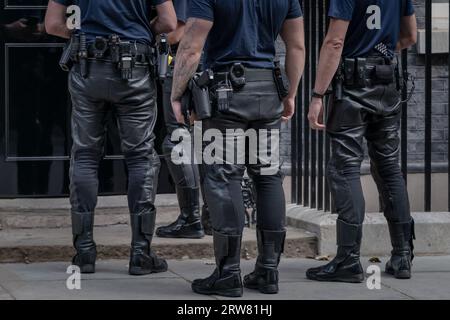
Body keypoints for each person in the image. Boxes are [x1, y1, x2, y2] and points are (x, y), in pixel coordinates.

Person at [170, 0, 305, 297]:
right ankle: (268, 271)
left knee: (222, 178)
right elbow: (296, 47)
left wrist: (176, 94)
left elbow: (191, 46)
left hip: (224, 95)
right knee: (268, 176)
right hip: (268, 92)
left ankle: (229, 273)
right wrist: (291, 94)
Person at [45, 0, 176, 275]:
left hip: (86, 66)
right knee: (141, 157)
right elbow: (169, 22)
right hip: (135, 68)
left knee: (84, 155)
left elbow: (53, 24)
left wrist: (85, 34)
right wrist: (139, 28)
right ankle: (141, 254)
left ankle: (84, 253)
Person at [306, 0, 417, 282]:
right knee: (389, 168)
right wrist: (380, 53)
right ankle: (403, 255)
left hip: (354, 86)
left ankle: (348, 259)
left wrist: (318, 95)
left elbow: (334, 42)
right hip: (388, 81)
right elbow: (410, 37)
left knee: (344, 169)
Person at [155, 0, 206, 239]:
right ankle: (210, 215)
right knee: (205, 142)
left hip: (185, 65)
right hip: (202, 64)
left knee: (177, 140)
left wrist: (139, 33)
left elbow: (177, 33)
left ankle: (191, 218)